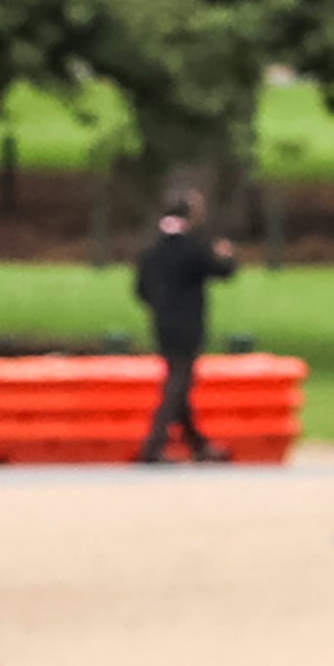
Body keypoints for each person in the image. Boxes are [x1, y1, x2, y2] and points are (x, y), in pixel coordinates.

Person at [132, 184, 241, 466]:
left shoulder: (152, 250)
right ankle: (153, 445)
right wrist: (228, 254)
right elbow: (223, 271)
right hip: (188, 323)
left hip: (162, 323)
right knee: (178, 382)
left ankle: (198, 444)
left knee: (180, 381)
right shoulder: (192, 249)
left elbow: (141, 290)